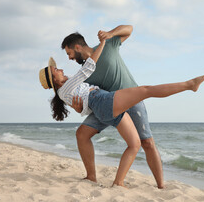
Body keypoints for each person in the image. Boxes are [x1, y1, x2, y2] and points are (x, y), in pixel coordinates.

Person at [39, 38, 204, 187]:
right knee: (145, 90)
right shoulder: (67, 87)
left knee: (135, 144)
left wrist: (80, 108)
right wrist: (103, 43)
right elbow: (88, 68)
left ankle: (115, 182)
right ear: (54, 79)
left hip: (102, 106)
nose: (60, 69)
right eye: (56, 70)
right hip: (103, 101)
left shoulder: (64, 90)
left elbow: (85, 107)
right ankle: (189, 85)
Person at [61, 25, 171, 188]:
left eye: (69, 53)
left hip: (131, 99)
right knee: (82, 134)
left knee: (147, 142)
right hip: (107, 104)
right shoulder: (85, 71)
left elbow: (130, 29)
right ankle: (91, 176)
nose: (69, 58)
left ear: (77, 47)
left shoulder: (107, 45)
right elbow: (88, 97)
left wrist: (110, 33)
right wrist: (78, 108)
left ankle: (161, 185)